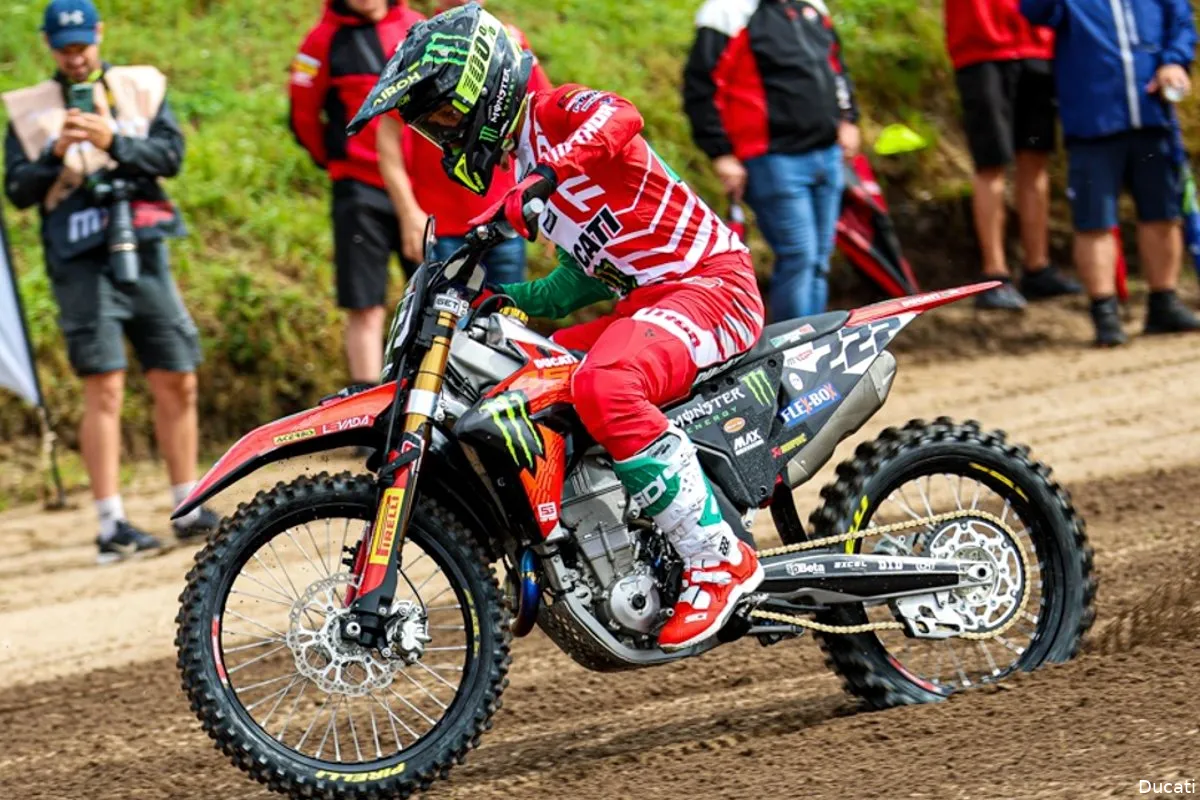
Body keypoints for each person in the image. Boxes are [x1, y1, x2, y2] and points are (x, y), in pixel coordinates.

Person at [348, 3, 765, 651]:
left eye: (446, 115)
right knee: (522, 377)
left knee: (605, 384)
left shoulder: (555, 113)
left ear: (483, 86)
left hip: (711, 286)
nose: (443, 132)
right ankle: (605, 543)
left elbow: (622, 115)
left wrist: (545, 176)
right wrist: (509, 301)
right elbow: (582, 278)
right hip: (648, 306)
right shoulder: (523, 169)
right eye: (432, 126)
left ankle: (717, 557)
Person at [2, 0, 219, 563]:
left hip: (142, 247)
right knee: (105, 383)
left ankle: (187, 504)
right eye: (65, 47)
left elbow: (170, 154)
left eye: (83, 44)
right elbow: (19, 189)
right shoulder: (30, 110)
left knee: (179, 374)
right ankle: (111, 524)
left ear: (99, 35)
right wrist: (55, 154)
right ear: (50, 46)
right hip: (79, 261)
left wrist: (110, 141)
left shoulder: (138, 88)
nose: (76, 57)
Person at [1021, 0, 1200, 345]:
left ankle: (1164, 302)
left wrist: (1174, 62)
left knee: (1163, 214)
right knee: (1094, 221)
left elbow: (1181, 22)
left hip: (1153, 118)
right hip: (1093, 123)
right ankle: (1104, 313)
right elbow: (1033, 11)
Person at [681, 0, 861, 323]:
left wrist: (848, 118)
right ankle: (794, 351)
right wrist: (720, 152)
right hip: (772, 159)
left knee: (819, 260)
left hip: (827, 152)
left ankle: (815, 346)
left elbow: (835, 67)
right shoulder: (727, 11)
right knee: (799, 256)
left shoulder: (812, 6)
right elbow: (701, 86)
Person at [289, 0, 424, 388]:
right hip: (360, 189)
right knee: (365, 305)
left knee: (433, 301)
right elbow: (303, 115)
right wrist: (339, 160)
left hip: (426, 191)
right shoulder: (321, 41)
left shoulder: (419, 28)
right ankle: (365, 404)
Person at [374, 0, 552, 283]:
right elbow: (387, 137)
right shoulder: (415, 48)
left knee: (505, 316)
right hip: (440, 225)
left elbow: (543, 119)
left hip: (505, 218)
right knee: (442, 324)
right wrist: (408, 213)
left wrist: (552, 207)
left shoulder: (508, 37)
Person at [945, 0, 1083, 309]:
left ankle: (1038, 266)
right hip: (981, 47)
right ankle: (994, 275)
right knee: (991, 162)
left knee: (1035, 158)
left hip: (1037, 46)